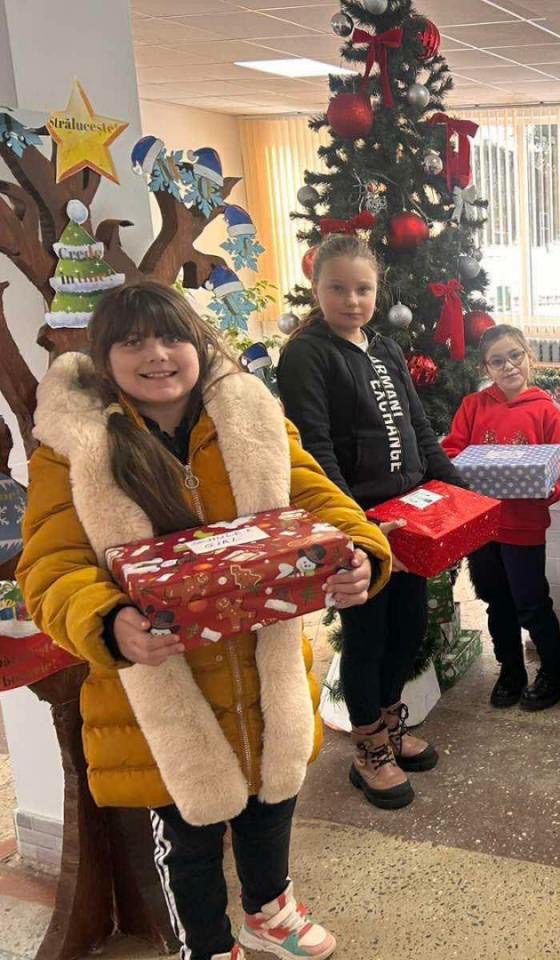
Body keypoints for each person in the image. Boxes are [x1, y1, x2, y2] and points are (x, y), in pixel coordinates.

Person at [19, 281, 392, 960]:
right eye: (133, 342)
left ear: (198, 343)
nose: (157, 356)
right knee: (188, 839)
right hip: (161, 687)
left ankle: (270, 913)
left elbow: (317, 497)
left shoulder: (251, 417)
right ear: (104, 357)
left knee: (273, 798)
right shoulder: (71, 452)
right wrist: (108, 620)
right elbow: (49, 566)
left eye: (172, 337)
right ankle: (208, 947)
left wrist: (359, 550)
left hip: (263, 666)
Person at [276, 234, 466, 810]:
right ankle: (369, 752)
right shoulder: (306, 354)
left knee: (408, 628)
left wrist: (456, 490)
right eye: (338, 288)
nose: (352, 300)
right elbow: (315, 450)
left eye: (363, 289)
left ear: (377, 291)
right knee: (367, 637)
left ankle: (390, 726)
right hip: (359, 525)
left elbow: (418, 427)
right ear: (316, 288)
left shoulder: (384, 348)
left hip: (407, 517)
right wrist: (352, 526)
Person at [443, 323, 560, 711]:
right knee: (495, 600)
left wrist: (546, 486)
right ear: (486, 368)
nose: (509, 366)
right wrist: (463, 472)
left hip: (524, 526)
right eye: (497, 361)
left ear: (529, 356)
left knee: (531, 602)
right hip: (482, 527)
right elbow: (452, 454)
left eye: (515, 356)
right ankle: (511, 669)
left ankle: (556, 670)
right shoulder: (473, 406)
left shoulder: (545, 410)